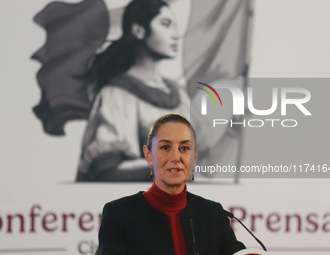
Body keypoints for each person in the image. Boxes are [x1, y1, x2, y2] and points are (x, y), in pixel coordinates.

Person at [76, 0, 199, 182]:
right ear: (139, 31)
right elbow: (108, 170)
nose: (175, 35)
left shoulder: (178, 93)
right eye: (165, 25)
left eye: (174, 26)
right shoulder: (117, 94)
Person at [95, 114, 246, 255]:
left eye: (184, 148)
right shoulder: (119, 214)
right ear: (148, 155)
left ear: (194, 157)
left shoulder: (213, 214)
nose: (175, 157)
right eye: (165, 147)